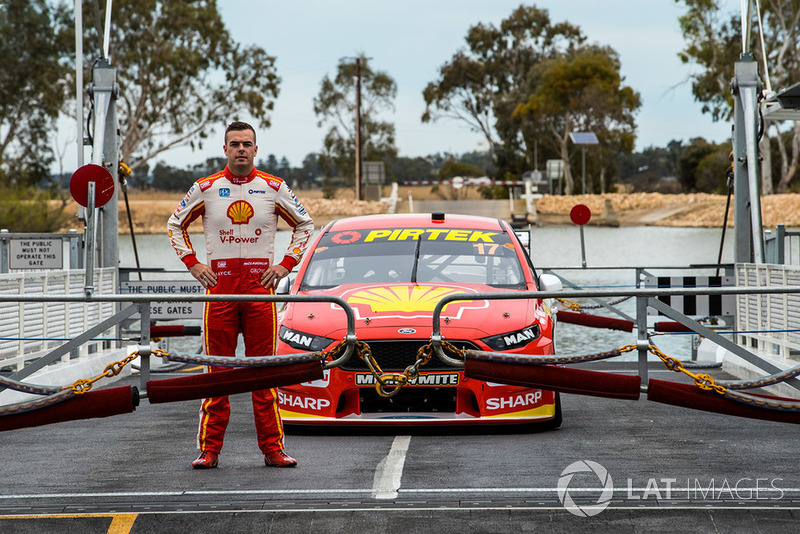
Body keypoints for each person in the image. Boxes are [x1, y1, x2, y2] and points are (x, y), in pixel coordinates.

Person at [167, 121, 314, 469]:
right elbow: (175, 224)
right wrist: (192, 264)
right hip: (220, 290)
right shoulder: (205, 188)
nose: (241, 150)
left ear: (256, 149)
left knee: (264, 375)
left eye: (247, 144)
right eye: (235, 144)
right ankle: (210, 450)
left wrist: (285, 266)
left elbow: (305, 225)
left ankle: (273, 449)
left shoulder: (274, 187)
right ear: (225, 149)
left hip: (260, 290)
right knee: (218, 376)